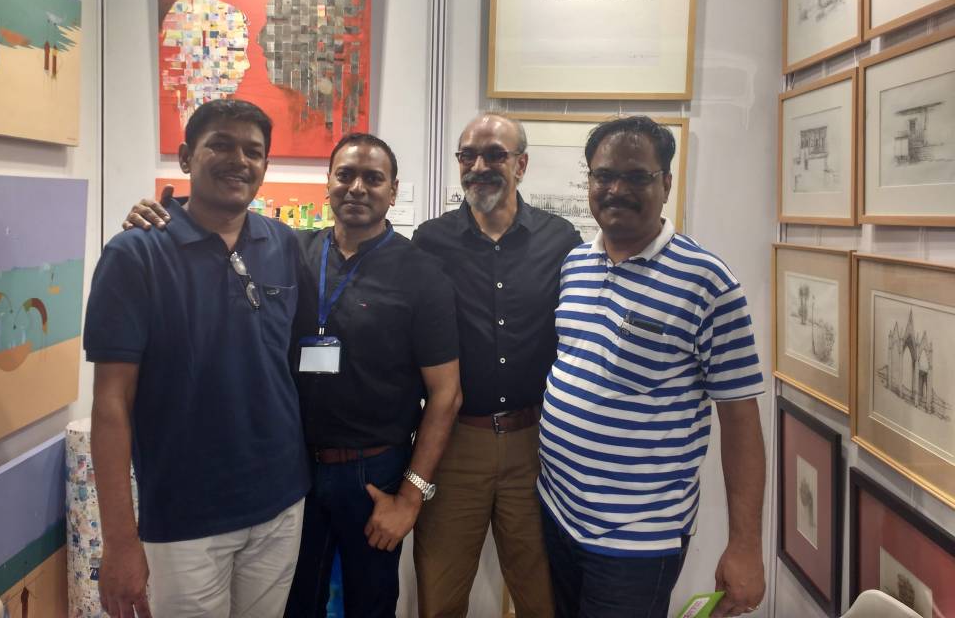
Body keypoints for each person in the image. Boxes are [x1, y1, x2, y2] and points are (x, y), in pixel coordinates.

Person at [122, 133, 463, 618]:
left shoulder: (422, 273)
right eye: (345, 175)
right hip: (292, 472)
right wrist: (160, 219)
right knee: (295, 605)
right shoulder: (291, 251)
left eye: (373, 178)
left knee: (370, 606)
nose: (357, 187)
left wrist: (409, 499)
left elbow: (446, 395)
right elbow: (221, 236)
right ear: (328, 183)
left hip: (373, 475)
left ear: (392, 191)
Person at [85, 99, 309, 618]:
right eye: (221, 145)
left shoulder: (283, 243)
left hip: (280, 502)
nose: (239, 160)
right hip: (186, 516)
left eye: (253, 151)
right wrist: (119, 541)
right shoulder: (135, 254)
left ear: (266, 165)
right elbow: (111, 404)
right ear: (186, 157)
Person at [537, 116, 766, 618]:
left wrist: (746, 546)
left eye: (636, 176)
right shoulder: (575, 264)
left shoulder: (708, 281)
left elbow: (741, 421)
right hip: (557, 512)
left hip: (636, 539)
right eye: (603, 175)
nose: (616, 189)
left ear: (666, 183)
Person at [411, 114, 582, 618]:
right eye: (468, 155)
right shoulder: (430, 241)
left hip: (537, 446)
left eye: (494, 155)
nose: (479, 166)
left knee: (543, 598)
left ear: (521, 165)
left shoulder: (560, 239)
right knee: (439, 597)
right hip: (454, 445)